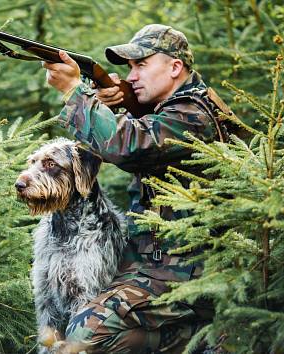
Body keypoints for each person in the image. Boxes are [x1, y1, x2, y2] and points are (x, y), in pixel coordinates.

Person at [42, 24, 229, 353]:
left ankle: (209, 337)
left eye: (141, 65)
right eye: (129, 67)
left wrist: (75, 91)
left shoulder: (195, 116)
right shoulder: (171, 109)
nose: (130, 77)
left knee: (83, 331)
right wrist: (115, 106)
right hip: (157, 265)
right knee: (114, 338)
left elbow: (128, 145)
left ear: (175, 67)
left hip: (193, 271)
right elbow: (139, 130)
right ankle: (192, 341)